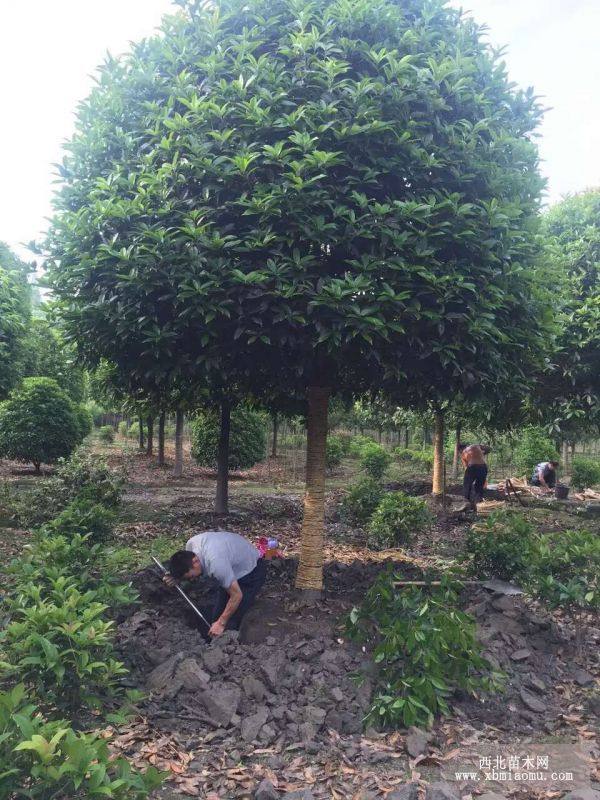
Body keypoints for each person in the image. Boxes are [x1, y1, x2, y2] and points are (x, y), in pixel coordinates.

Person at [164, 530, 266, 637]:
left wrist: (221, 623)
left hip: (251, 571)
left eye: (192, 577)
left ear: (195, 561)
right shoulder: (191, 545)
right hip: (230, 564)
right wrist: (176, 577)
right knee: (216, 618)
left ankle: (229, 646)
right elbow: (185, 568)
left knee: (231, 621)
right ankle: (214, 639)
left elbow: (236, 595)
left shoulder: (217, 564)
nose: (192, 579)